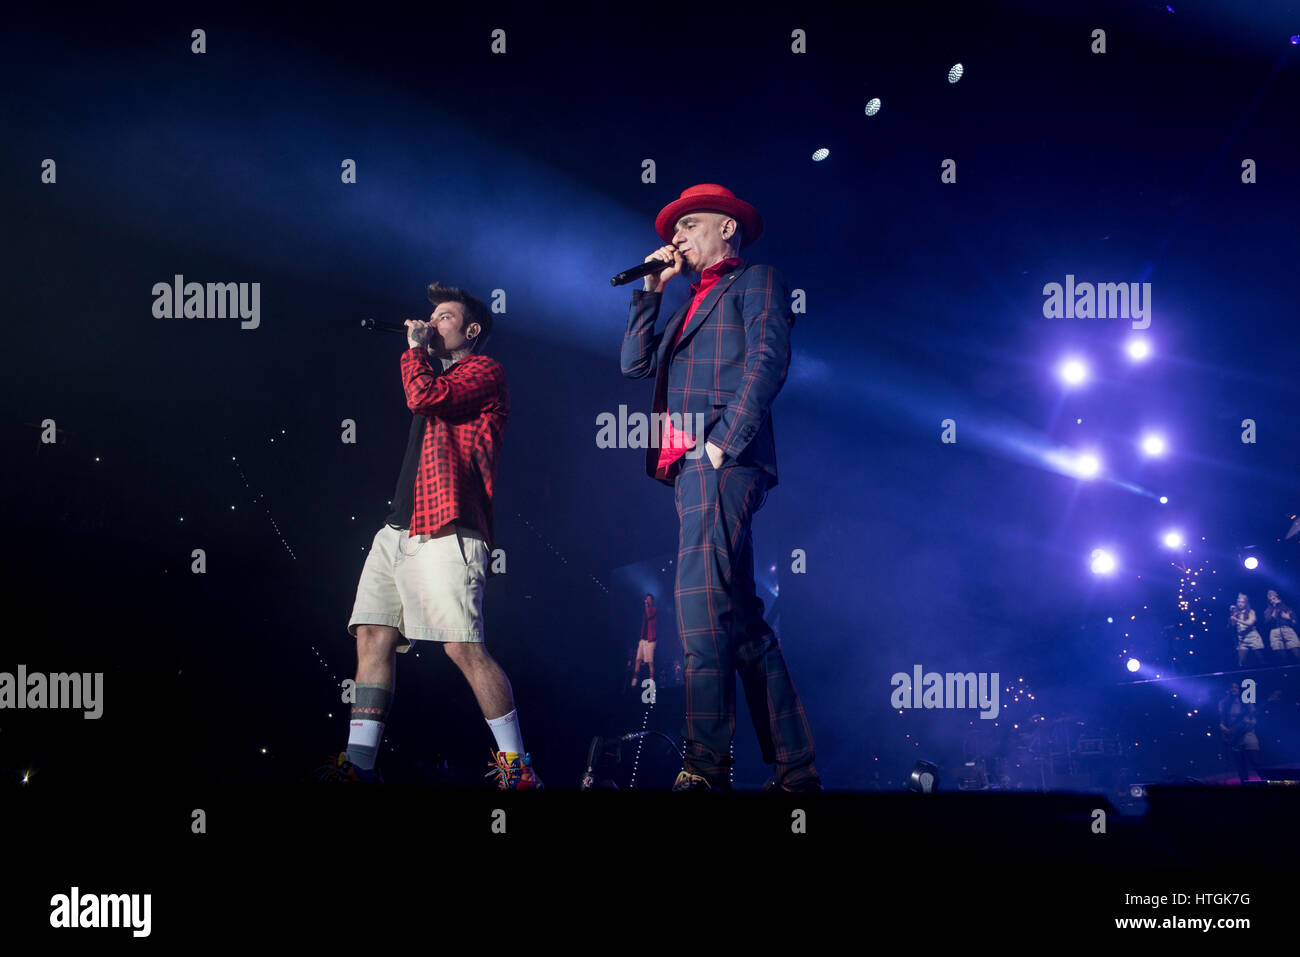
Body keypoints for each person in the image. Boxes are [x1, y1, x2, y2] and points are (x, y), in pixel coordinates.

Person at [620, 183, 820, 792]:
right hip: (690, 465)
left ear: (726, 228)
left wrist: (723, 441)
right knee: (737, 622)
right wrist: (651, 290)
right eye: (672, 231)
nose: (674, 239)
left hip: (720, 458)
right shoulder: (684, 301)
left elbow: (768, 359)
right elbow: (634, 362)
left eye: (687, 227)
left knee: (699, 613)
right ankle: (797, 771)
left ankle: (706, 766)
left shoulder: (755, 281)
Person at [318, 281, 541, 789]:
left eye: (444, 316)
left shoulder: (485, 371)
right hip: (398, 529)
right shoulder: (434, 370)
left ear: (471, 330)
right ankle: (360, 766)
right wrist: (422, 352)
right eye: (431, 316)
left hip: (449, 528)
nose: (432, 322)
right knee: (373, 635)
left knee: (462, 647)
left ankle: (517, 769)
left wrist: (416, 350)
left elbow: (423, 395)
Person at [1217, 681, 1260, 784]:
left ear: (1239, 689)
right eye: (1231, 687)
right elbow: (1222, 722)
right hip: (1234, 737)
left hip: (1247, 735)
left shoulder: (1246, 701)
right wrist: (1224, 729)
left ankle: (1267, 782)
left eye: (1236, 687)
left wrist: (1249, 722)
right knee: (1240, 765)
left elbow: (1254, 720)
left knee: (1255, 762)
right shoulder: (1223, 703)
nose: (1233, 689)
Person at [1263, 589, 1300, 663]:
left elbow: (1295, 622)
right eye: (1271, 600)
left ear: (1278, 598)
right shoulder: (1268, 610)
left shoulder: (1287, 608)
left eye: (1274, 598)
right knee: (1280, 655)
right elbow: (1268, 622)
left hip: (1288, 630)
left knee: (1296, 651)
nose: (1273, 600)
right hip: (1275, 632)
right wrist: (1275, 608)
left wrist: (1288, 618)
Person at [1231, 593, 1266, 667]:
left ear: (1246, 603)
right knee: (1241, 661)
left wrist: (1237, 619)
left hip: (1253, 637)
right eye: (1239, 602)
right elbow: (1233, 624)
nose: (1240, 604)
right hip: (1242, 639)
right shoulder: (1237, 613)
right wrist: (1233, 613)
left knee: (1260, 658)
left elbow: (1250, 623)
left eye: (1242, 602)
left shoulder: (1251, 611)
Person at [631, 593, 658, 688]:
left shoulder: (654, 609)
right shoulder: (644, 611)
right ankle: (634, 680)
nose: (647, 600)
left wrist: (646, 606)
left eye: (649, 599)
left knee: (650, 662)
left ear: (652, 601)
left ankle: (651, 682)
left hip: (651, 640)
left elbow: (650, 615)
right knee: (638, 660)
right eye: (646, 599)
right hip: (643, 639)